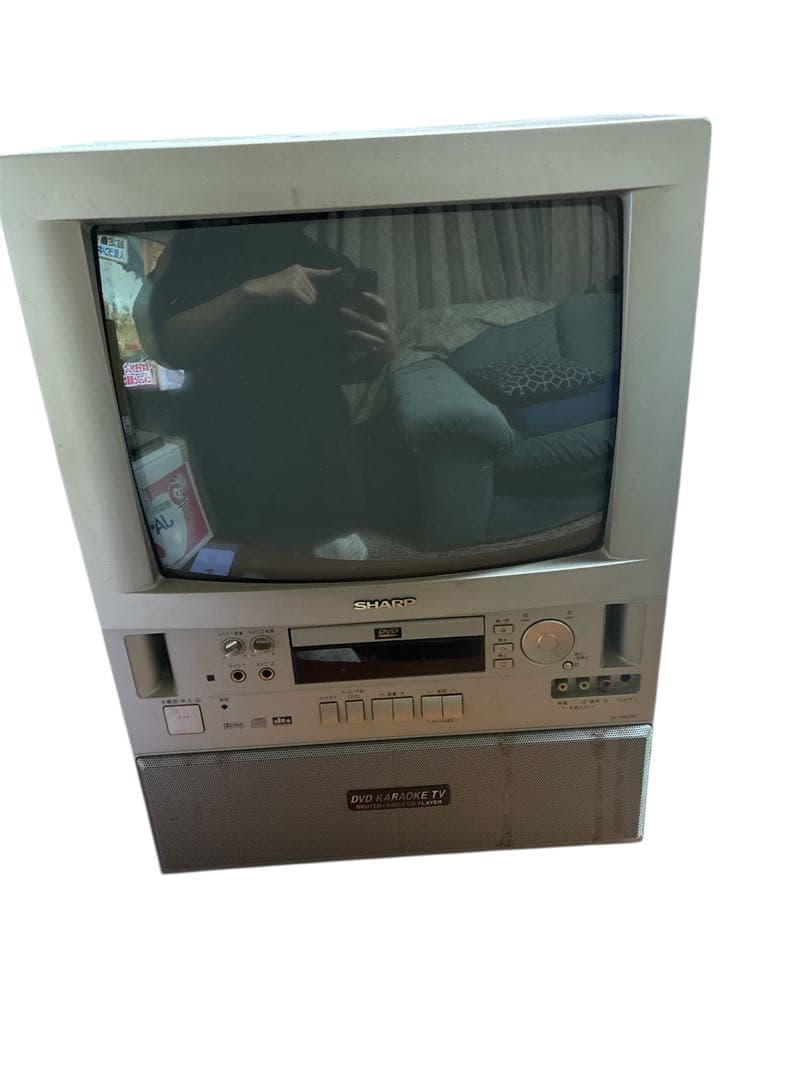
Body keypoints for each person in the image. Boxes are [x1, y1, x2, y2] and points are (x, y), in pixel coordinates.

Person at [134, 218, 393, 563]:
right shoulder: (198, 248)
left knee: (332, 579)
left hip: (323, 467)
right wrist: (249, 294)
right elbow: (170, 348)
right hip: (230, 465)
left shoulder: (327, 263)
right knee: (241, 579)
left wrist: (382, 351)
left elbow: (345, 367)